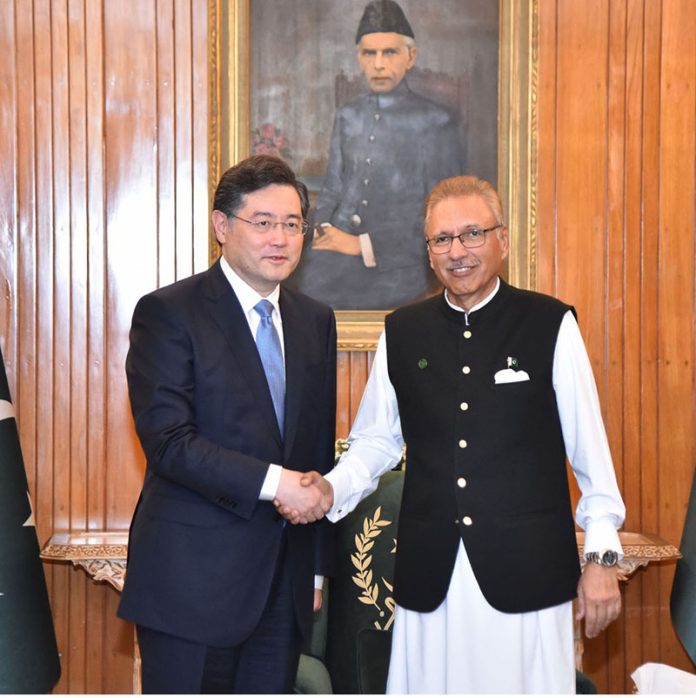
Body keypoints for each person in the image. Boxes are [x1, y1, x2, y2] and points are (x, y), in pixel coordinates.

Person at [281, 175, 626, 693]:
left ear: (502, 240)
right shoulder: (402, 331)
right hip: (431, 574)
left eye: (472, 234)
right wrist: (331, 488)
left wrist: (601, 559)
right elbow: (377, 440)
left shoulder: (550, 324)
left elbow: (590, 455)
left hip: (527, 574)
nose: (457, 251)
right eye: (442, 239)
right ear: (428, 251)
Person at [118, 155, 337, 694]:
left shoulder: (314, 319)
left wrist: (312, 572)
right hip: (191, 584)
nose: (280, 238)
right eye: (262, 222)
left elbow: (315, 447)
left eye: (292, 224)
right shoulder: (169, 312)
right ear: (222, 226)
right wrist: (278, 483)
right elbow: (170, 443)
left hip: (282, 588)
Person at [288, 0, 464, 309]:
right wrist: (322, 231)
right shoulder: (348, 115)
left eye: (390, 52)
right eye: (370, 53)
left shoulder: (437, 121)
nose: (379, 64)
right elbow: (332, 188)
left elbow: (443, 216)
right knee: (299, 295)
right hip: (333, 255)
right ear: (359, 58)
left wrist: (360, 245)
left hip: (398, 266)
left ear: (411, 57)